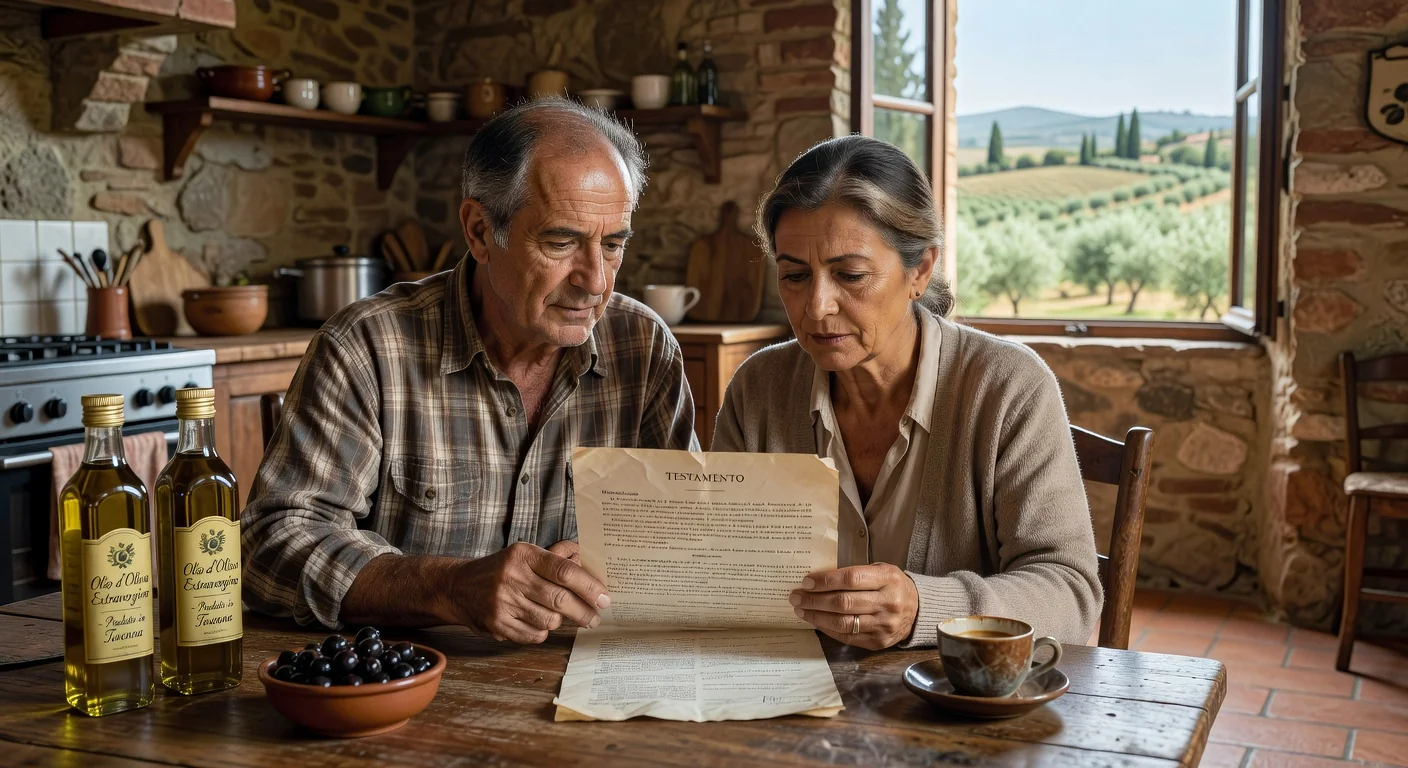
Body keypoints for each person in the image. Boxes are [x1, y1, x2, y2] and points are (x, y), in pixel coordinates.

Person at [241, 98, 698, 643]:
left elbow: (684, 531)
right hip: (411, 692)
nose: (595, 280)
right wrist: (447, 587)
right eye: (561, 241)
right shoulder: (368, 346)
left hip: (585, 684)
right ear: (480, 231)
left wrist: (629, 558)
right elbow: (270, 544)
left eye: (613, 244)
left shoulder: (644, 348)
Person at [712, 135, 1102, 650]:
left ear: (920, 270)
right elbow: (718, 562)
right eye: (794, 276)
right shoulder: (758, 388)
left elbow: (1071, 595)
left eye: (850, 275)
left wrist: (925, 607)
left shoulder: (1008, 388)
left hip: (950, 708)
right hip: (791, 699)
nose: (817, 308)